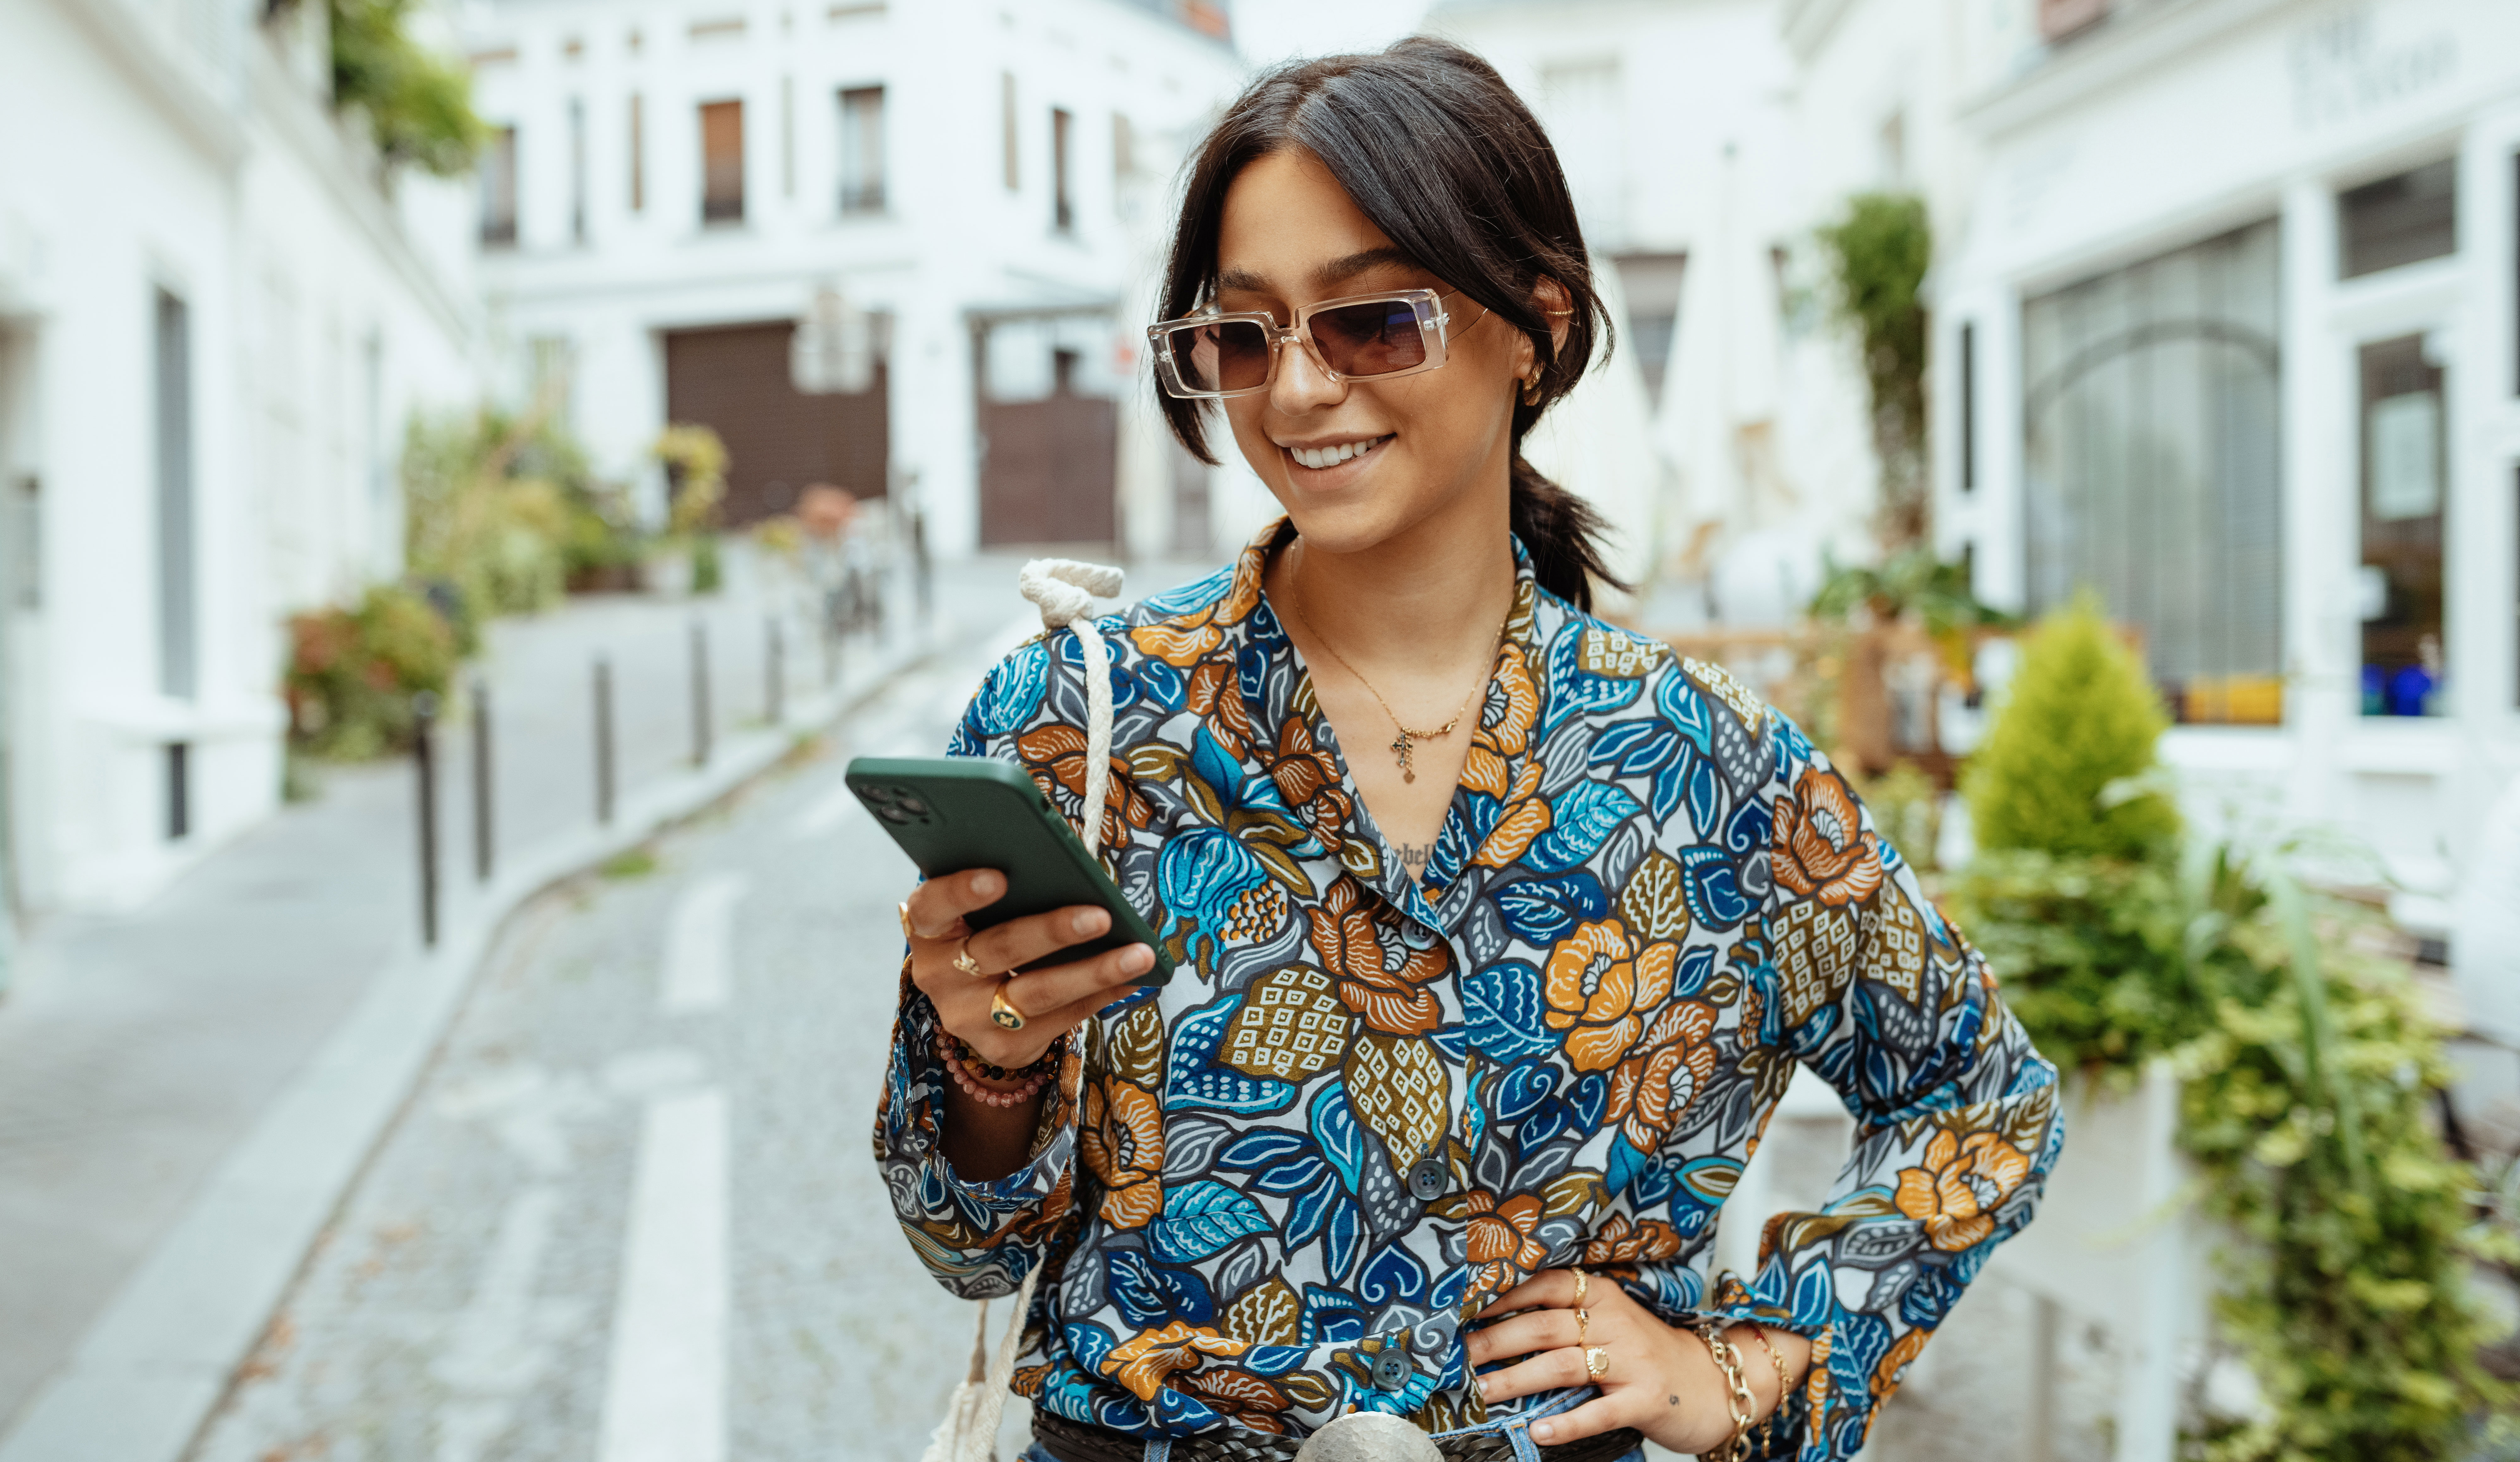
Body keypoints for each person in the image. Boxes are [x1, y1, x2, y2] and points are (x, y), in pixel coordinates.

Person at [878, 38, 2061, 1462]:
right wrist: (988, 1065)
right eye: (1244, 337)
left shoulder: (1703, 763)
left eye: (1373, 321)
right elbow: (968, 1240)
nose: (1301, 390)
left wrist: (1738, 1370)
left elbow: (1981, 1094)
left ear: (1536, 328)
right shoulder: (1082, 721)